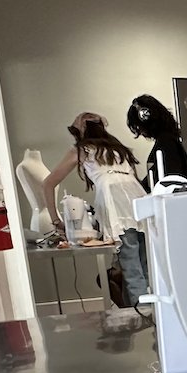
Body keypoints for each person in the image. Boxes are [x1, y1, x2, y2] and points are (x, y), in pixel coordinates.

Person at [43, 112, 150, 309]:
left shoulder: (83, 149)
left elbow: (48, 184)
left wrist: (55, 220)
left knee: (131, 268)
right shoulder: (119, 150)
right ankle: (147, 318)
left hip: (116, 205)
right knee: (145, 267)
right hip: (138, 199)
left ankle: (144, 321)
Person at [126, 94, 187, 191]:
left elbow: (170, 181)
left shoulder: (166, 143)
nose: (139, 131)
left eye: (138, 126)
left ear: (145, 118)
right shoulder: (167, 141)